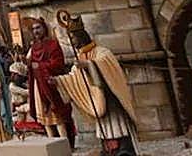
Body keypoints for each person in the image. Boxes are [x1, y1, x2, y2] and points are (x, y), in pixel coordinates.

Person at [53, 11, 138, 155]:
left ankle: (124, 149)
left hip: (111, 100)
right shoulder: (79, 58)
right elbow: (75, 78)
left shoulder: (101, 52)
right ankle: (109, 150)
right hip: (97, 100)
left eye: (73, 37)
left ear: (81, 36)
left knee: (118, 126)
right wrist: (58, 80)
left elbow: (107, 65)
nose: (72, 41)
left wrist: (89, 65)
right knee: (105, 128)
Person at [26, 19, 75, 145]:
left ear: (44, 28)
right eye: (34, 29)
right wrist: (31, 65)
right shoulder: (33, 47)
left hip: (51, 85)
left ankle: (65, 145)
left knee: (58, 117)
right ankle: (52, 144)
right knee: (45, 118)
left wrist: (39, 66)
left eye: (38, 28)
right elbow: (31, 65)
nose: (36, 31)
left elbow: (58, 64)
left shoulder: (53, 44)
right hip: (38, 85)